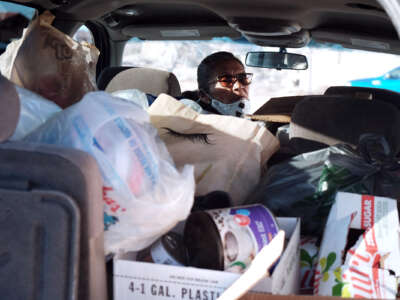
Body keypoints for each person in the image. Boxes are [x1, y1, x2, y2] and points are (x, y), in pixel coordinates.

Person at [181, 51, 253, 117]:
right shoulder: (194, 122)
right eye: (226, 80)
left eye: (243, 77)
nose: (238, 86)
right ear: (204, 96)